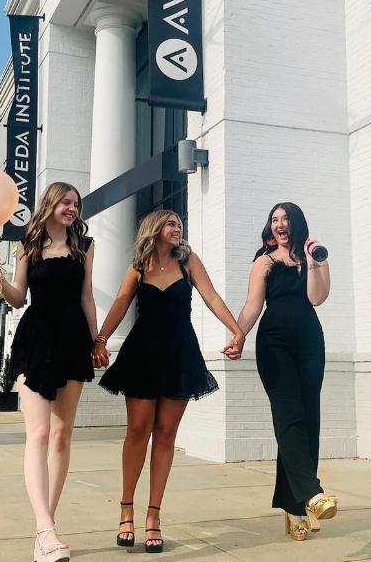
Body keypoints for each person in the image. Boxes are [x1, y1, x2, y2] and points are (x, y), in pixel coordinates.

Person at [92, 210, 245, 554]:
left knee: (165, 435)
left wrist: (237, 330)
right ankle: (126, 509)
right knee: (137, 430)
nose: (177, 228)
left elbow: (212, 298)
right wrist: (101, 339)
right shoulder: (138, 265)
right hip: (143, 353)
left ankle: (153, 517)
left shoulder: (188, 261)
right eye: (171, 223)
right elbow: (119, 303)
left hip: (179, 353)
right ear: (154, 229)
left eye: (179, 224)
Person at [0, 182, 97, 562]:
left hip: (73, 340)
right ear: (50, 203)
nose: (72, 208)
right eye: (65, 201)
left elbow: (87, 297)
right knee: (40, 432)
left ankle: (45, 529)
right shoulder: (27, 245)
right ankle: (46, 531)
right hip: (35, 339)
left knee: (62, 436)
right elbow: (18, 297)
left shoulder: (84, 246)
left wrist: (96, 341)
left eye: (76, 204)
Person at [227, 202, 336, 541]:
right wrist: (238, 335)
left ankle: (294, 509)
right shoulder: (264, 261)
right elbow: (252, 305)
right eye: (274, 219)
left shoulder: (313, 258)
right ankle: (313, 495)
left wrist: (317, 264)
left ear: (296, 223)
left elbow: (317, 298)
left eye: (285, 218)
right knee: (289, 417)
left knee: (308, 420)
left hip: (310, 346)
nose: (279, 224)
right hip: (275, 346)